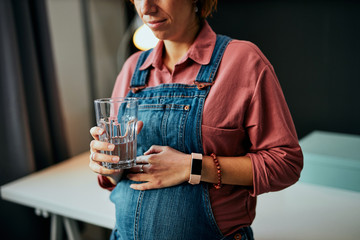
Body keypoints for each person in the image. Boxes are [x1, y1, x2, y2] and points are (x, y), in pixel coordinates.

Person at [89, 0, 303, 239]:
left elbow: (286, 165)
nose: (146, 8)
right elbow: (116, 173)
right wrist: (109, 165)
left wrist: (192, 166)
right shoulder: (133, 68)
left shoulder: (243, 60)